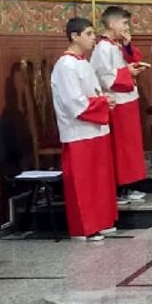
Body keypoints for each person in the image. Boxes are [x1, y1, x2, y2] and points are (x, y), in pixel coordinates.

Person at [50, 18, 119, 240]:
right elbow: (74, 103)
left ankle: (102, 220)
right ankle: (84, 228)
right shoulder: (65, 65)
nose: (93, 38)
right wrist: (101, 104)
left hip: (95, 128)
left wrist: (103, 98)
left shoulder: (83, 62)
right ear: (74, 36)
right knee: (83, 181)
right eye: (88, 34)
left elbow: (92, 92)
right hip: (78, 130)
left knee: (99, 179)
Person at [92, 6, 152, 203]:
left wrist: (128, 46)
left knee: (130, 146)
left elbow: (132, 58)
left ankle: (130, 184)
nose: (127, 27)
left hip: (128, 101)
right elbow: (104, 77)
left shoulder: (117, 45)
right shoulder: (103, 48)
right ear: (111, 24)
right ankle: (120, 187)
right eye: (124, 23)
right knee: (121, 148)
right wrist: (128, 73)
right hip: (116, 103)